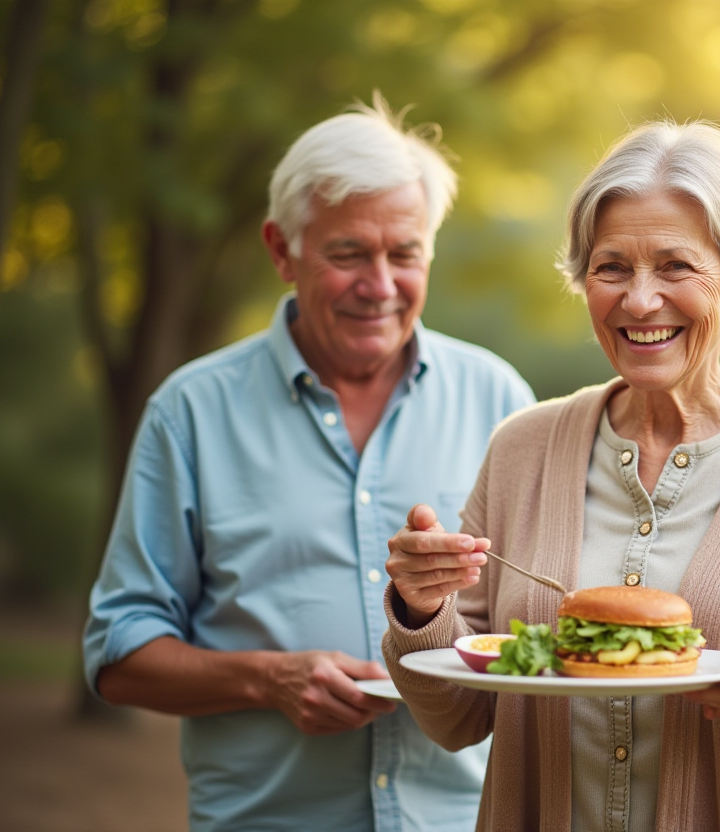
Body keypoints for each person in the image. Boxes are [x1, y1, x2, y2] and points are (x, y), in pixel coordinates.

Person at [381, 120, 720, 830]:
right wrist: (422, 612)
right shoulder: (523, 448)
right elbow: (458, 718)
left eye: (674, 266)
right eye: (612, 267)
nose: (639, 301)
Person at [82, 95, 535, 832]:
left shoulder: (501, 398)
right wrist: (270, 680)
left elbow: (540, 623)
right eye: (349, 252)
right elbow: (118, 654)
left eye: (405, 252)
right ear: (281, 249)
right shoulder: (190, 411)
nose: (381, 285)